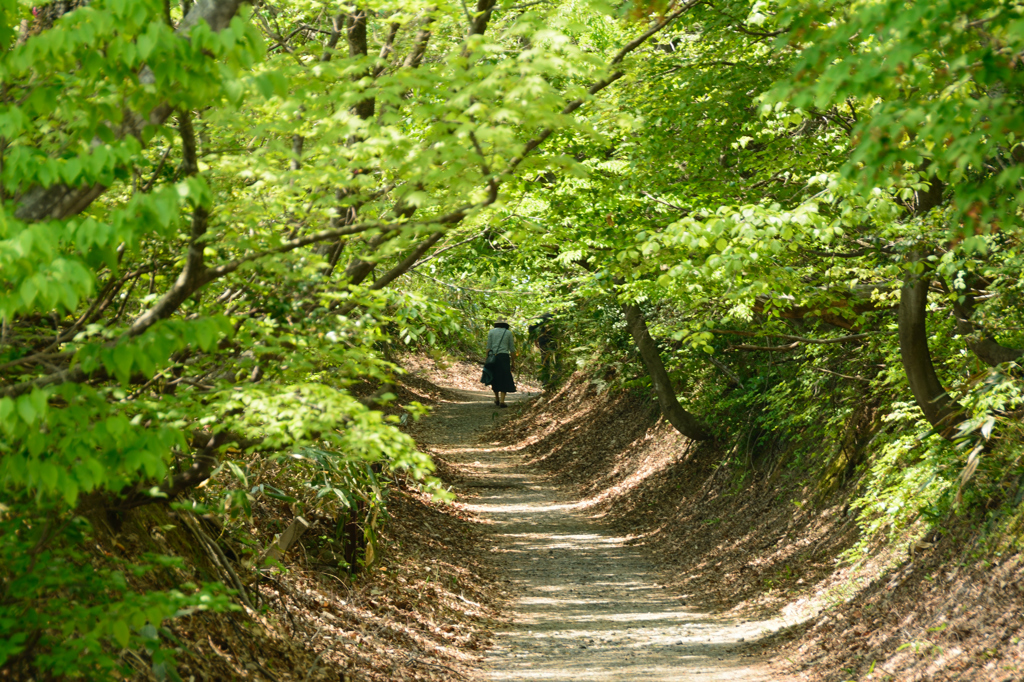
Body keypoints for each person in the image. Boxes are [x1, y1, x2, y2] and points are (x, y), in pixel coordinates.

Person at [483, 319, 516, 407]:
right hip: (504, 357)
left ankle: (496, 399)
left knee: (495, 377)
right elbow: (512, 349)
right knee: (504, 377)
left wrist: (486, 359)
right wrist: (513, 363)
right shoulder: (508, 333)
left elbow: (488, 347)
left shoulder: (491, 332)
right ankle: (502, 401)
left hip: (493, 357)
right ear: (505, 325)